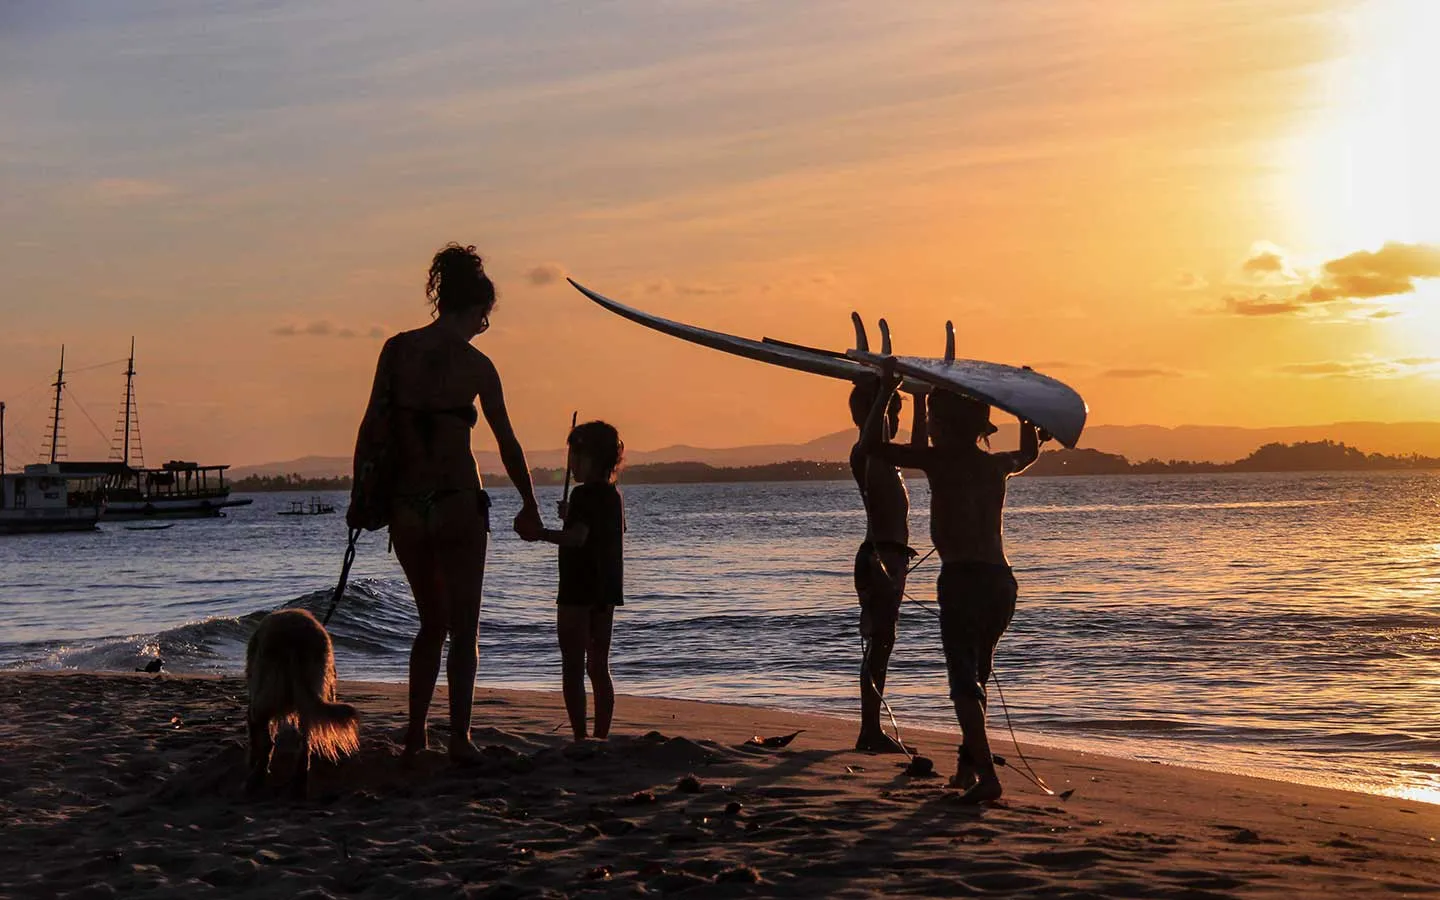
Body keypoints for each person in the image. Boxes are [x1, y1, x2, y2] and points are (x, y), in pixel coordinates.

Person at [348, 242, 543, 765]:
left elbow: (370, 427)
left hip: (408, 507)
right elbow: (507, 442)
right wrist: (529, 505)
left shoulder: (397, 349)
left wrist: (357, 498)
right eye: (486, 316)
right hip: (459, 500)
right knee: (465, 630)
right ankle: (458, 737)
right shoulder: (479, 366)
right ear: (478, 309)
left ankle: (416, 733)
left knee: (430, 625)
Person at [862, 359, 1041, 804]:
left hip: (962, 580)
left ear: (944, 426)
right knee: (979, 672)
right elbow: (1029, 454)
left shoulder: (938, 461)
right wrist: (1024, 413)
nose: (932, 428)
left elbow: (871, 445)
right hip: (1002, 583)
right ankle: (964, 770)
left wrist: (887, 389)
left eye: (936, 421)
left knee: (963, 682)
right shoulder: (997, 465)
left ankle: (986, 775)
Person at [848, 379, 924, 753]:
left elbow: (921, 449)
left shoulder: (891, 460)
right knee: (879, 644)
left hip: (892, 558)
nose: (894, 420)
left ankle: (870, 729)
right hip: (878, 558)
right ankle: (869, 731)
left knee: (884, 644)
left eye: (896, 413)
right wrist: (886, 390)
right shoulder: (865, 453)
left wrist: (921, 398)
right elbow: (873, 431)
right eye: (890, 413)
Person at [539, 421, 626, 743]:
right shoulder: (614, 496)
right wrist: (570, 516)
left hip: (577, 588)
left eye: (575, 455)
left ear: (591, 457)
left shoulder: (582, 494)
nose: (571, 463)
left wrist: (542, 534)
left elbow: (576, 539)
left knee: (573, 667)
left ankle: (579, 737)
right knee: (599, 667)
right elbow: (603, 532)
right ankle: (600, 735)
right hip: (606, 589)